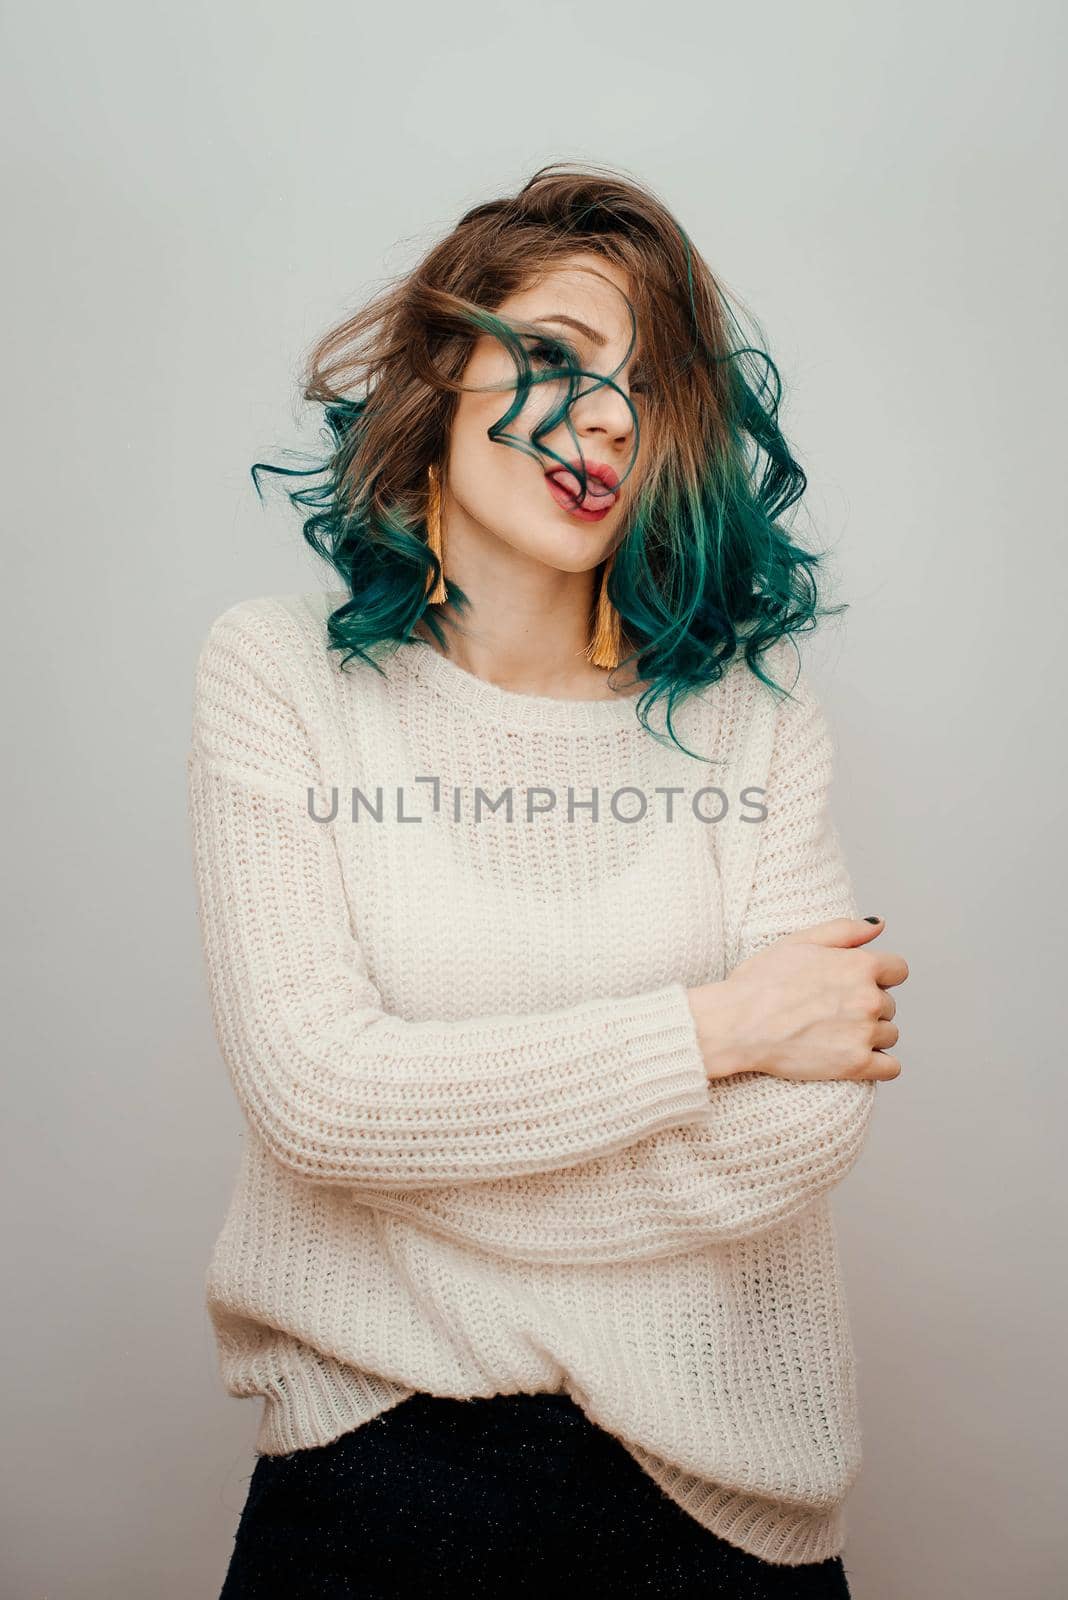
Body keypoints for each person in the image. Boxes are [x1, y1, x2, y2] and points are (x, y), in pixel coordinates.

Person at [187, 162, 908, 1598]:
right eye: (556, 358)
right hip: (378, 1485)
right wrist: (724, 1032)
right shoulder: (280, 679)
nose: (600, 419)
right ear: (440, 377)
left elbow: (802, 1142)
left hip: (726, 1514)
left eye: (647, 388)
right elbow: (321, 1097)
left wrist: (410, 1172)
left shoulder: (753, 727)